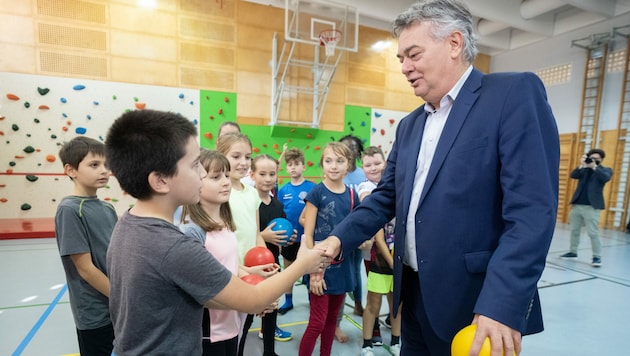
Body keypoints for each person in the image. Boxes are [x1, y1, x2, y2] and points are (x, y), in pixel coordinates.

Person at [316, 1, 560, 355]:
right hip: (413, 297)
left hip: (476, 304)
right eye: (400, 58)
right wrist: (337, 241)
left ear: (454, 43)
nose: (405, 67)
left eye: (413, 54)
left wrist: (500, 304)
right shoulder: (410, 125)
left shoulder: (511, 94)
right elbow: (385, 198)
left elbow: (532, 212)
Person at [104, 109, 328, 355]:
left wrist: (246, 276)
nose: (201, 173)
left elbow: (200, 291)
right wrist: (303, 264)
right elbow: (252, 300)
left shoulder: (126, 224)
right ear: (160, 181)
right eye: (194, 165)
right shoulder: (175, 246)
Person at [215, 133, 293, 353]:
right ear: (221, 156)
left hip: (253, 270)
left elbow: (257, 233)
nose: (242, 162)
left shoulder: (251, 194)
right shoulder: (220, 193)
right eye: (236, 156)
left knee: (250, 319)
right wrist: (245, 270)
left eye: (247, 156)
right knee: (231, 330)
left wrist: (265, 262)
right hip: (231, 272)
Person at [54, 136, 117, 356]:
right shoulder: (70, 210)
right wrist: (121, 297)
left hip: (116, 309)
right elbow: (86, 269)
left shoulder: (107, 208)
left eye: (106, 165)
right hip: (95, 313)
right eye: (94, 165)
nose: (104, 170)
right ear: (71, 170)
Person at [179, 149, 242, 356]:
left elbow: (225, 268)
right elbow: (194, 291)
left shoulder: (224, 223)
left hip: (230, 325)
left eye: (226, 175)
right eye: (215, 177)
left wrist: (251, 272)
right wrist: (251, 300)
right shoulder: (192, 232)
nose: (226, 182)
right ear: (196, 182)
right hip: (208, 332)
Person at [298, 142, 360, 356]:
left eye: (340, 161)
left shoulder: (353, 195)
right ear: (322, 164)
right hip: (320, 269)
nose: (334, 166)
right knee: (317, 322)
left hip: (342, 267)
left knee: (332, 321)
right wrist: (314, 271)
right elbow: (309, 234)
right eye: (328, 161)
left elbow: (354, 229)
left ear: (348, 165)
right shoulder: (316, 193)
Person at [251, 154, 299, 354]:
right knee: (245, 313)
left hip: (272, 264)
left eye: (272, 174)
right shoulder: (247, 201)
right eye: (262, 174)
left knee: (271, 309)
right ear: (252, 174)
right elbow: (244, 233)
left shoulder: (278, 204)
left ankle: (268, 351)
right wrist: (264, 236)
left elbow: (283, 230)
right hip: (250, 265)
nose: (268, 178)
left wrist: (290, 237)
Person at [357, 146, 401, 356]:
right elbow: (368, 200)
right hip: (375, 257)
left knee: (396, 301)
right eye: (368, 165)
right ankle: (370, 337)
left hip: (397, 256)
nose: (373, 168)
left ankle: (395, 338)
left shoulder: (394, 185)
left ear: (385, 163)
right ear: (362, 167)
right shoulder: (365, 186)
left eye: (377, 163)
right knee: (373, 300)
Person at [277, 147, 317, 315]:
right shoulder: (283, 190)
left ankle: (312, 300)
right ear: (286, 168)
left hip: (307, 238)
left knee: (309, 271)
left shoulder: (313, 188)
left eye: (297, 164)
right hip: (289, 239)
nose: (293, 167)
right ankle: (288, 301)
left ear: (303, 166)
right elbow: (280, 215)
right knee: (289, 272)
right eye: (290, 165)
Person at [560, 149, 612, 267]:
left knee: (593, 233)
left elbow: (605, 178)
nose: (593, 159)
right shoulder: (584, 170)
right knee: (574, 230)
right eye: (591, 157)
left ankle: (597, 257)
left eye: (596, 158)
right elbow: (573, 175)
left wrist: (594, 166)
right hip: (577, 204)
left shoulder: (605, 170)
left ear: (601, 159)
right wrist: (582, 164)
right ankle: (573, 252)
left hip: (592, 207)